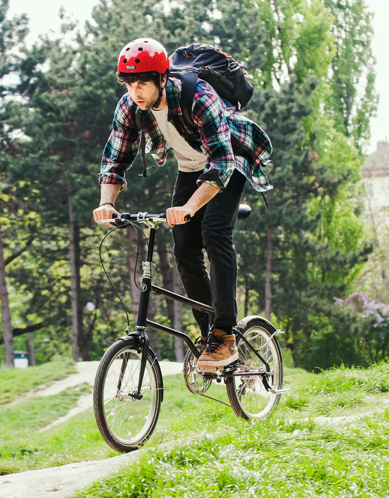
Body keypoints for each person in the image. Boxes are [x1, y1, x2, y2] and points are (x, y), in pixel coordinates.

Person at [92, 38, 273, 372]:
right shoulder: (130, 107)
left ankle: (225, 332)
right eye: (130, 84)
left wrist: (190, 207)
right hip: (192, 167)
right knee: (184, 247)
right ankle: (208, 334)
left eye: (142, 83)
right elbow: (115, 159)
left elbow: (221, 164)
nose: (136, 91)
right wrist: (107, 203)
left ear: (162, 78)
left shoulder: (198, 96)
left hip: (230, 160)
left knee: (214, 232)